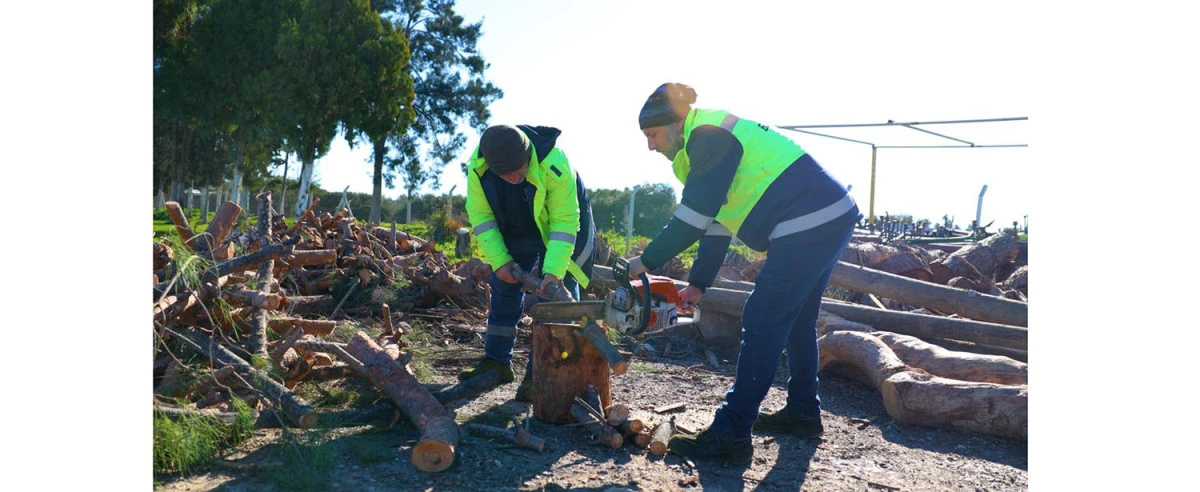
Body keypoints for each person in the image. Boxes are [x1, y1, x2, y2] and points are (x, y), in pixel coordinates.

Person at [625, 83, 861, 459]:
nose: (650, 145)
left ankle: (732, 432)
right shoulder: (700, 147)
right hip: (828, 215)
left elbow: (692, 218)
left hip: (809, 219)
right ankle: (803, 411)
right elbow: (716, 222)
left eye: (652, 134)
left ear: (675, 123)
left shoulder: (708, 137)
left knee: (763, 317)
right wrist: (700, 283)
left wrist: (645, 261)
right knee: (797, 320)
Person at [462, 124, 595, 402]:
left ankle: (541, 374)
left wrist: (554, 273)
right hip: (516, 223)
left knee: (558, 297)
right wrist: (500, 262)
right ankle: (497, 363)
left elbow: (564, 221)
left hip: (562, 225)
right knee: (504, 285)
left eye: (521, 170)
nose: (517, 177)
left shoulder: (554, 164)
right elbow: (482, 217)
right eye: (508, 174)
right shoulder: (479, 166)